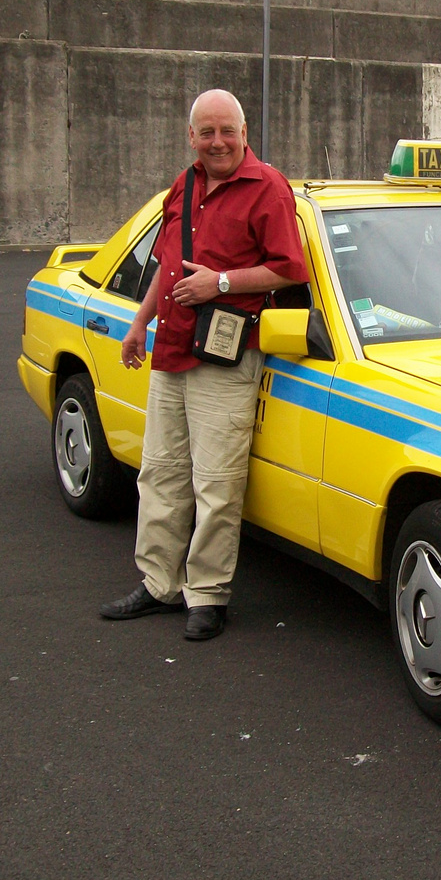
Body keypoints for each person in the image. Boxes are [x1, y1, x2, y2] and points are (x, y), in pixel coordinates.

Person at [98, 89, 308, 640]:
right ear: (191, 136)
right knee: (160, 473)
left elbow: (290, 269)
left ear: (245, 133)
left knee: (216, 481)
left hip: (224, 354)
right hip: (170, 349)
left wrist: (220, 282)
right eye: (207, 132)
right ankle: (158, 583)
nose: (218, 142)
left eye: (227, 131)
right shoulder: (183, 186)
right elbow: (168, 267)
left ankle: (207, 595)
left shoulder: (268, 188)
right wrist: (140, 322)